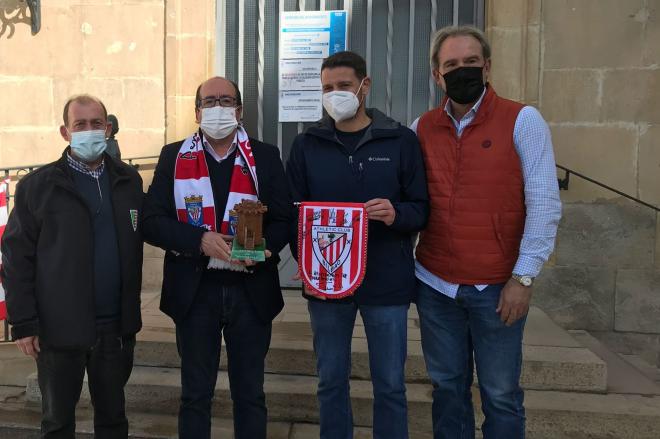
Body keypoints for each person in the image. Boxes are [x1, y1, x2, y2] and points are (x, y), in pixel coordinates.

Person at [411, 26, 562, 438]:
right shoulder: (421, 128)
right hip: (435, 285)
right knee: (446, 388)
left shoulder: (523, 120)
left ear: (488, 67)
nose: (462, 71)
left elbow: (545, 204)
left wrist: (523, 276)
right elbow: (412, 202)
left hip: (497, 289)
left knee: (499, 393)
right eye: (451, 65)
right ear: (436, 75)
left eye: (471, 63)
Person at [286, 51, 429, 439]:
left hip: (387, 283)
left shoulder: (400, 140)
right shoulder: (306, 145)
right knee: (330, 381)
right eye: (327, 88)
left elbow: (421, 210)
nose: (335, 94)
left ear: (364, 87)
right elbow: (294, 214)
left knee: (390, 385)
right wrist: (307, 264)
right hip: (327, 284)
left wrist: (395, 213)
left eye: (344, 86)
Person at [142, 76, 290, 439]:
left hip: (250, 290)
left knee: (250, 394)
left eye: (227, 101)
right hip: (195, 291)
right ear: (197, 112)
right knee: (195, 395)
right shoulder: (173, 155)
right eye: (210, 101)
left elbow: (287, 217)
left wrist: (266, 246)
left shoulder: (265, 155)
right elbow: (150, 221)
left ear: (239, 110)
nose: (219, 108)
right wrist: (200, 239)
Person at [1, 94, 144, 438]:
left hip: (115, 329)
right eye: (80, 124)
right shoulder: (38, 186)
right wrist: (22, 321)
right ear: (65, 132)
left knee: (113, 421)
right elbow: (17, 257)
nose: (89, 130)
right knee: (57, 423)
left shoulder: (128, 181)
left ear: (108, 128)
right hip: (58, 331)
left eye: (97, 123)